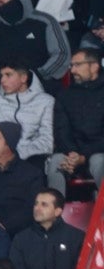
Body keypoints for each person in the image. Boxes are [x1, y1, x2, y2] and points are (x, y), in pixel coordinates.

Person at [10, 190, 83, 269]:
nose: (37, 208)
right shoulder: (21, 238)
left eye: (44, 205)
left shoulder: (77, 237)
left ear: (58, 211)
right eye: (36, 204)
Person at [48, 49, 104, 193]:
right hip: (72, 153)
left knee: (99, 161)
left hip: (99, 152)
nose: (72, 70)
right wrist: (73, 154)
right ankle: (55, 213)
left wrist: (84, 156)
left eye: (78, 65)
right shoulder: (65, 95)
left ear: (94, 66)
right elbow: (61, 131)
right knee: (55, 162)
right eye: (71, 66)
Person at [0, 61, 54, 161]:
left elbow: (47, 142)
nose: (2, 80)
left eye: (8, 75)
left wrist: (16, 154)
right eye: (2, 75)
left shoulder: (46, 102)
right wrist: (2, 153)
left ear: (23, 78)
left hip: (31, 161)